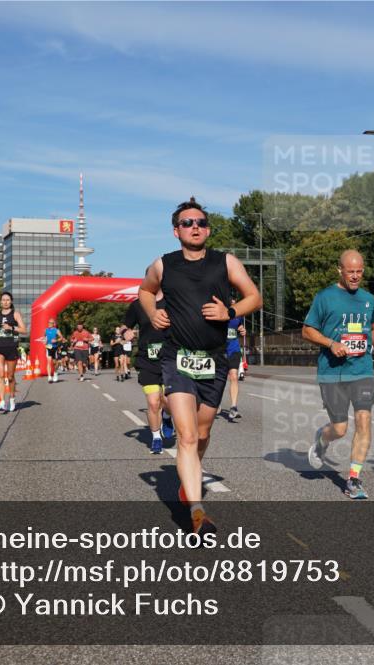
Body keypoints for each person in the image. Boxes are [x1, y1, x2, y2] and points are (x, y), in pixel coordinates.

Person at [139, 197, 261, 537]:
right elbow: (145, 291)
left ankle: (189, 478)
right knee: (187, 436)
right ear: (176, 230)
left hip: (215, 359)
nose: (196, 227)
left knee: (203, 433)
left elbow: (255, 296)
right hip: (177, 357)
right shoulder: (163, 265)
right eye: (189, 223)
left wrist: (230, 313)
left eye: (202, 222)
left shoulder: (227, 262)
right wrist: (153, 312)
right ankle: (196, 513)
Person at [303, 250, 374, 499]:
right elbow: (307, 331)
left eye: (359, 271)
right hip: (332, 372)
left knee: (364, 422)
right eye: (350, 271)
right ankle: (322, 440)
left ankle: (353, 479)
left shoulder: (368, 299)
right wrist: (330, 343)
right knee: (340, 429)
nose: (355, 276)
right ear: (339, 269)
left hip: (361, 370)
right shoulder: (325, 297)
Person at [125, 293, 170, 454]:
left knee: (168, 401)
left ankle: (166, 417)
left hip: (170, 357)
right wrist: (125, 332)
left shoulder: (172, 299)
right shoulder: (138, 305)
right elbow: (125, 325)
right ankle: (156, 437)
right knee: (153, 402)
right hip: (147, 359)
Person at [0, 292, 26, 413]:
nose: (5, 302)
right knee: (0, 374)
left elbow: (24, 330)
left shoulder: (15, 314)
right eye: (3, 300)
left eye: (8, 300)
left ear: (11, 301)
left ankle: (12, 398)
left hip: (11, 347)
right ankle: (2, 401)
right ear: (0, 301)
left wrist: (11, 328)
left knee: (10, 376)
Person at [224, 297, 247, 420]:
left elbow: (239, 327)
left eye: (235, 303)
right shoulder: (220, 314)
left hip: (234, 349)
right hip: (220, 351)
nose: (233, 305)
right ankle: (213, 402)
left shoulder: (239, 316)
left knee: (233, 376)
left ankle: (233, 407)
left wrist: (242, 330)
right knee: (220, 379)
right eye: (231, 303)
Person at [44, 318, 64, 383]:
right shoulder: (46, 330)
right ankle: (49, 376)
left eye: (51, 323)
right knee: (49, 362)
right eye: (49, 322)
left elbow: (61, 337)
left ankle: (55, 373)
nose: (49, 324)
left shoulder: (56, 330)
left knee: (55, 363)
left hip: (54, 348)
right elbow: (45, 337)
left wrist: (56, 340)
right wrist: (45, 341)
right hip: (48, 347)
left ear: (53, 324)